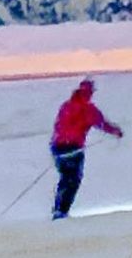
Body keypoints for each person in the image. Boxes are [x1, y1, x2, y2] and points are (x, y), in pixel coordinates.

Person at [49, 79, 123, 220]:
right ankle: (61, 211)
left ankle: (58, 209)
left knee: (65, 178)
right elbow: (102, 124)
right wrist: (116, 132)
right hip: (73, 148)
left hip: (57, 147)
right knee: (73, 180)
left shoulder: (66, 106)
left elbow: (58, 126)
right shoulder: (88, 109)